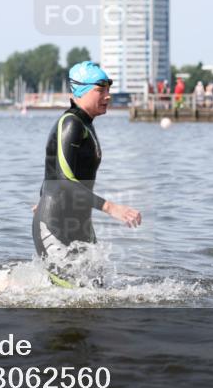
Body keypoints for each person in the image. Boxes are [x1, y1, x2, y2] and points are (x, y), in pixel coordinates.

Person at [33, 61, 142, 288]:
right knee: (77, 295)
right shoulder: (70, 123)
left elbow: (55, 169)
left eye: (108, 89)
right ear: (80, 91)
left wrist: (42, 195)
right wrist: (111, 207)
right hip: (55, 224)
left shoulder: (85, 125)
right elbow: (63, 180)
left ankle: (11, 285)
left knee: (98, 293)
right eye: (100, 90)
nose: (108, 95)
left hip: (80, 224)